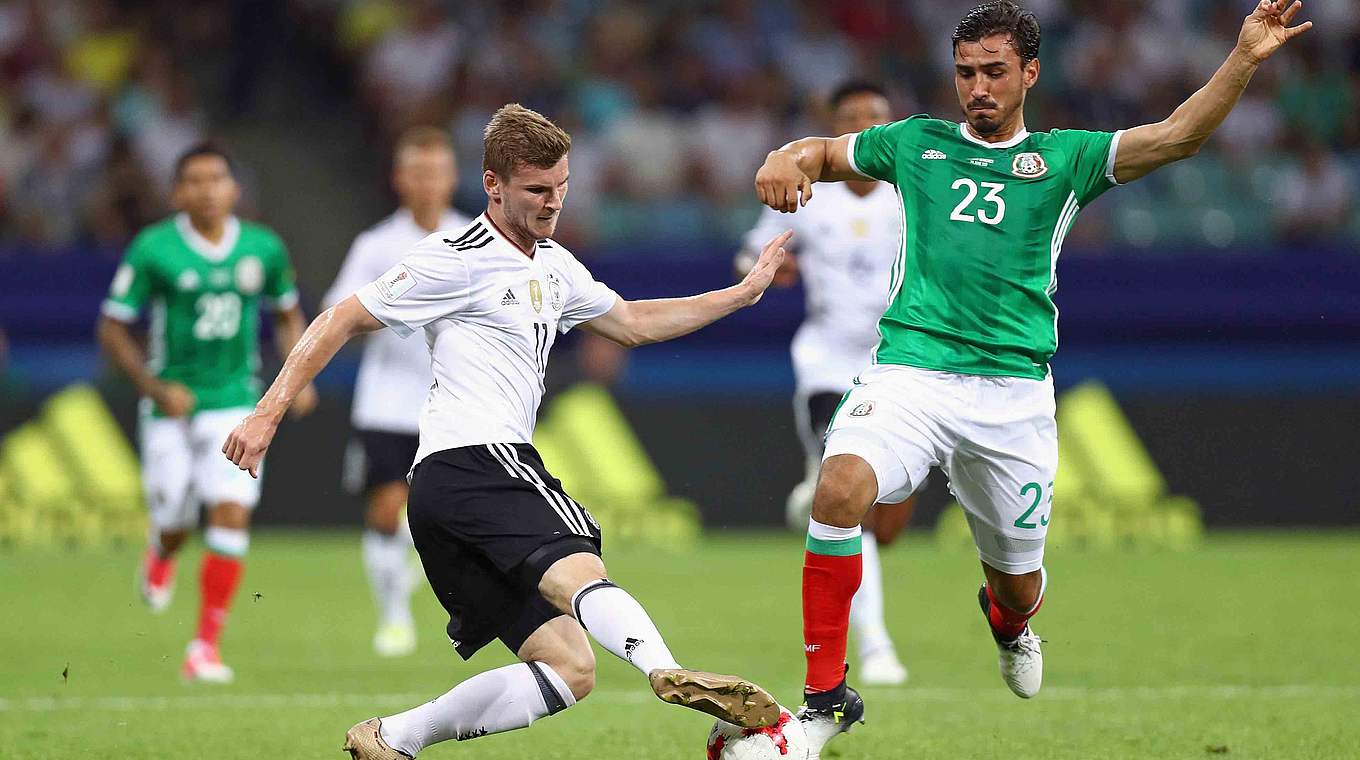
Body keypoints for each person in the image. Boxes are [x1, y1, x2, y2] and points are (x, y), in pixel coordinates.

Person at [753, 1, 1313, 756]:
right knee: (837, 488)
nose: (977, 88)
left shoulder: (1066, 159)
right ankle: (823, 700)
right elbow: (820, 151)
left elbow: (1178, 136)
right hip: (912, 372)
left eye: (993, 72)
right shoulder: (914, 143)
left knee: (1018, 585)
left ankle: (1008, 622)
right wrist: (783, 156)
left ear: (1030, 74)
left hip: (1012, 396)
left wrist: (1244, 55)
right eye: (965, 73)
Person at [223, 104, 793, 759]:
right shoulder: (455, 258)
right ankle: (664, 667)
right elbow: (339, 319)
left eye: (562, 187)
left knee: (569, 668)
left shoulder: (555, 264)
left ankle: (391, 739)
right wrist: (266, 415)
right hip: (479, 463)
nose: (553, 203)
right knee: (578, 566)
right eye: (536, 190)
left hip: (443, 497)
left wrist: (740, 294)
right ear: (493, 185)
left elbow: (634, 320)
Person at [97, 142, 317, 683]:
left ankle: (204, 648)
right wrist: (153, 388)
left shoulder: (263, 248)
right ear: (177, 192)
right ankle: (163, 549)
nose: (207, 189)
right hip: (171, 406)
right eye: (194, 181)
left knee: (231, 510)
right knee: (174, 517)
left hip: (236, 401)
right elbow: (112, 327)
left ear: (233, 189)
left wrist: (297, 379)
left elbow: (290, 315)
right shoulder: (154, 248)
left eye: (217, 179)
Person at [737, 80, 915, 687]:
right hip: (827, 366)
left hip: (904, 367)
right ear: (833, 128)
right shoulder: (809, 193)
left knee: (886, 523)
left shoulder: (912, 188)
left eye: (876, 116)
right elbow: (751, 255)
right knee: (854, 513)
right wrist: (768, 268)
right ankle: (876, 648)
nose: (865, 126)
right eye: (852, 118)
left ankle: (820, 502)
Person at [322, 126, 471, 658]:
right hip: (386, 400)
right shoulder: (376, 245)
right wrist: (392, 309)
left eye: (437, 171)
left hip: (456, 402)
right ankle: (393, 618)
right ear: (399, 179)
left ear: (453, 177)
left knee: (447, 517)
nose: (428, 182)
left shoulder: (475, 238)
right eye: (418, 172)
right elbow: (340, 311)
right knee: (388, 511)